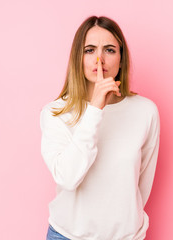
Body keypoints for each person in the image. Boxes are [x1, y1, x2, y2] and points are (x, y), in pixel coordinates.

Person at [39, 16, 160, 240]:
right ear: (78, 58)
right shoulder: (55, 113)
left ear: (121, 59)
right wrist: (95, 109)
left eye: (110, 50)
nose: (99, 59)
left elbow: (140, 184)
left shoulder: (145, 112)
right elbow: (68, 177)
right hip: (67, 235)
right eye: (89, 50)